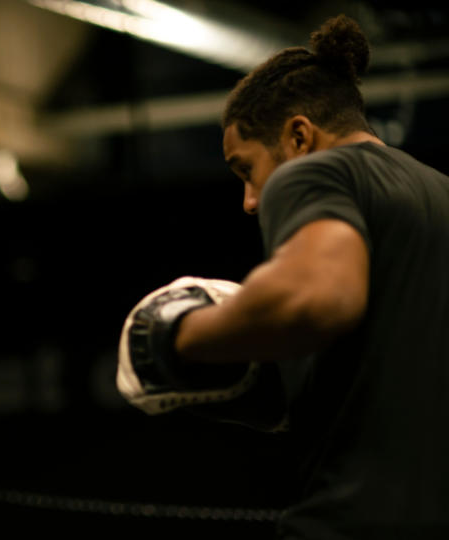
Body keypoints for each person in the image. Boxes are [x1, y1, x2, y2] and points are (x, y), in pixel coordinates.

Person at [116, 14, 449, 539]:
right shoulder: (438, 194)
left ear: (298, 136)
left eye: (247, 170)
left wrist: (174, 339)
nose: (250, 201)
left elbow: (315, 301)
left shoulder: (318, 171)